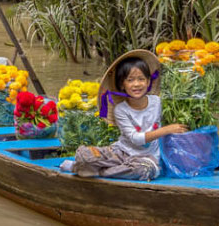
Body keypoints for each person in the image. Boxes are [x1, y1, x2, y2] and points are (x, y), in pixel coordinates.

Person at [60, 50, 188, 180]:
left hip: (146, 158)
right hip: (121, 153)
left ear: (148, 82)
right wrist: (166, 130)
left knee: (145, 170)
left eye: (141, 79)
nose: (136, 84)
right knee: (84, 154)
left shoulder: (157, 102)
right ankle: (95, 166)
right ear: (122, 85)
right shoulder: (121, 110)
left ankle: (97, 171)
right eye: (130, 80)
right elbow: (135, 139)